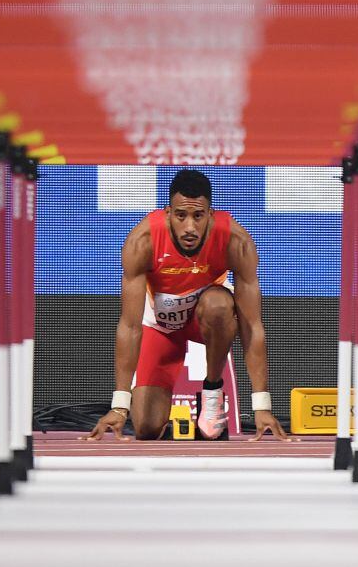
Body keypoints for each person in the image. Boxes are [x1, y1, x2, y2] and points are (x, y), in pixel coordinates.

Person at [85, 169, 288, 442]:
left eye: (198, 216)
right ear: (168, 213)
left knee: (218, 304)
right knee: (145, 427)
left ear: (211, 214)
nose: (190, 227)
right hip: (161, 327)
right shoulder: (142, 242)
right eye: (181, 215)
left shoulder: (235, 242)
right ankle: (162, 415)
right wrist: (120, 405)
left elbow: (252, 324)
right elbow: (130, 325)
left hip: (205, 320)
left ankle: (213, 392)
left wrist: (262, 406)